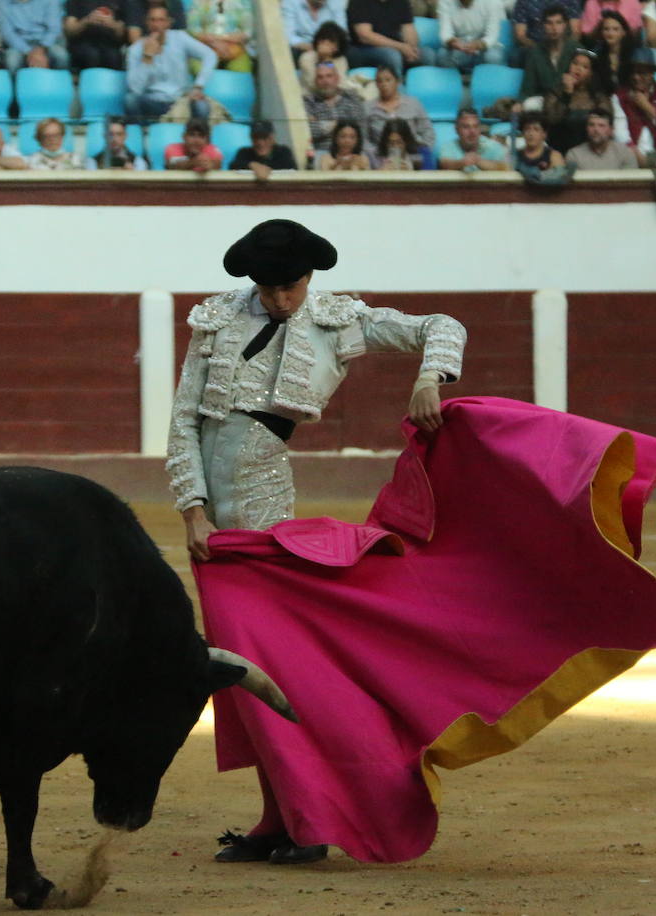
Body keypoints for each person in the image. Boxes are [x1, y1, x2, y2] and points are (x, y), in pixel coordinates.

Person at [166, 220, 465, 866]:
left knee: (274, 662)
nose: (282, 300)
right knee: (241, 673)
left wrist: (429, 379)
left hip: (264, 496)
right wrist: (193, 513)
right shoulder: (216, 319)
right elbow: (184, 418)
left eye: (292, 286)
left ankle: (310, 817)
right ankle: (278, 816)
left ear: (311, 278)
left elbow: (441, 325)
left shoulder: (337, 319)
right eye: (270, 289)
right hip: (215, 522)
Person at [125, 3, 215, 121]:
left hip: (180, 99)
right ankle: (144, 135)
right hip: (153, 100)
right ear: (146, 23)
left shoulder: (180, 38)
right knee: (130, 100)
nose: (156, 25)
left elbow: (210, 55)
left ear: (168, 23)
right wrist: (147, 57)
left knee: (202, 106)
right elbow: (135, 89)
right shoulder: (135, 49)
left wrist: (198, 86)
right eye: (152, 20)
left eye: (161, 20)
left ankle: (197, 137)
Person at [542, 47, 611, 152]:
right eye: (575, 63)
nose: (578, 69)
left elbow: (605, 125)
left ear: (591, 73)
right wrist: (566, 94)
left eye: (584, 67)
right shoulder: (556, 92)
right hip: (559, 150)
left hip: (591, 151)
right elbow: (551, 120)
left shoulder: (598, 97)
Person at [614, 47, 656, 156]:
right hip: (630, 157)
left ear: (652, 73)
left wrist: (647, 106)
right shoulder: (619, 96)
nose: (636, 77)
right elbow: (620, 134)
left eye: (641, 73)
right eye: (633, 73)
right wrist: (638, 158)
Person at [365, 65, 434, 150]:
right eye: (379, 81)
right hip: (379, 156)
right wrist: (375, 155)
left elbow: (427, 131)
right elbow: (363, 139)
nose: (384, 84)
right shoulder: (367, 107)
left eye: (388, 80)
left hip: (411, 154)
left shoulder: (413, 103)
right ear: (376, 84)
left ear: (397, 82)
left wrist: (422, 151)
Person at [304, 59, 366, 152]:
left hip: (352, 152)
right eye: (320, 77)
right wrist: (339, 124)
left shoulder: (351, 97)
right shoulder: (308, 102)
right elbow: (310, 132)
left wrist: (324, 125)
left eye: (329, 76)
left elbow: (361, 128)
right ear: (315, 81)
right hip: (323, 152)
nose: (325, 81)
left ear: (337, 78)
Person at [345, 0, 419, 77]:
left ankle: (416, 87)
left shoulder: (401, 2)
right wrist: (401, 47)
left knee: (428, 55)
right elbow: (365, 36)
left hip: (395, 46)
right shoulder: (359, 2)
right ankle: (397, 87)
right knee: (392, 56)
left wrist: (411, 48)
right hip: (362, 49)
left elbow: (409, 28)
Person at [520, 4, 578, 100]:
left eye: (558, 22)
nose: (554, 28)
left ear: (565, 25)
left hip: (572, 101)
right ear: (542, 26)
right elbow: (527, 89)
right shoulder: (535, 53)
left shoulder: (576, 49)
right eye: (549, 23)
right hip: (545, 103)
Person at [431, 0, 504, 71]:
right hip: (460, 47)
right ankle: (453, 82)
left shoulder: (493, 2)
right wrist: (452, 42)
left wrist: (478, 44)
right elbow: (445, 32)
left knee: (493, 57)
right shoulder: (445, 2)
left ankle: (489, 82)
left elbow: (492, 36)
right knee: (443, 55)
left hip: (486, 47)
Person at [187, 0, 255, 73]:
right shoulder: (199, 2)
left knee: (242, 70)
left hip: (234, 47)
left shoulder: (243, 2)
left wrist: (224, 41)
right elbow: (193, 29)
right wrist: (214, 43)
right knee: (200, 70)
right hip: (206, 46)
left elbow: (247, 31)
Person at [0, 0, 68, 70]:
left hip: (47, 43)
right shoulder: (3, 2)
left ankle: (55, 80)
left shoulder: (50, 1)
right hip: (19, 44)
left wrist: (41, 50)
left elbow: (54, 29)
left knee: (61, 56)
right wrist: (29, 52)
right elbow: (7, 32)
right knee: (12, 60)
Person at [509, 0, 580, 67]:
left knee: (581, 59)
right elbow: (520, 35)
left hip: (564, 47)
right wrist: (540, 49)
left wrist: (564, 51)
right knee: (517, 57)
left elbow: (575, 32)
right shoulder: (524, 2)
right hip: (534, 46)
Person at [437, 105, 509, 169]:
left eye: (476, 126)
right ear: (456, 129)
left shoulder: (492, 146)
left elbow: (506, 167)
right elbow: (444, 164)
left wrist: (479, 161)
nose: (472, 131)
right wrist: (462, 163)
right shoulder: (448, 147)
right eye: (466, 127)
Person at [63, 0, 127, 70]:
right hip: (82, 44)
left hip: (110, 45)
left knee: (113, 57)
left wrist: (111, 24)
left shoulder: (121, 2)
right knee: (91, 55)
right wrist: (87, 20)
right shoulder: (75, 2)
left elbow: (124, 33)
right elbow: (70, 31)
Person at [566, 106, 638, 167]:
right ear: (586, 129)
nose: (596, 129)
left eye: (601, 125)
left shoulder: (625, 153)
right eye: (591, 125)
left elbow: (632, 182)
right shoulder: (574, 155)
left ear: (611, 130)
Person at [586, 9, 634, 95]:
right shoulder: (597, 56)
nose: (610, 33)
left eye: (615, 29)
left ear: (624, 32)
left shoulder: (633, 54)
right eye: (606, 29)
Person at [229, 118, 298, 177]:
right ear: (251, 138)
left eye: (264, 138)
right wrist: (252, 165)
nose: (260, 143)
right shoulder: (244, 152)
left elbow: (291, 169)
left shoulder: (283, 151)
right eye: (256, 138)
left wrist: (264, 169)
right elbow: (233, 166)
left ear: (272, 138)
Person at [297, 19, 350, 94]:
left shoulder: (341, 60)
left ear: (338, 47)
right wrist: (325, 58)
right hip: (311, 98)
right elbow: (317, 86)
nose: (325, 43)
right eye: (322, 40)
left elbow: (341, 84)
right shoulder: (306, 58)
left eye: (331, 41)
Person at [515, 108, 565, 177]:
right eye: (527, 129)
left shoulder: (554, 156)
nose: (531, 134)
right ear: (523, 133)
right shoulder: (515, 156)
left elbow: (560, 178)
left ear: (544, 134)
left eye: (536, 129)